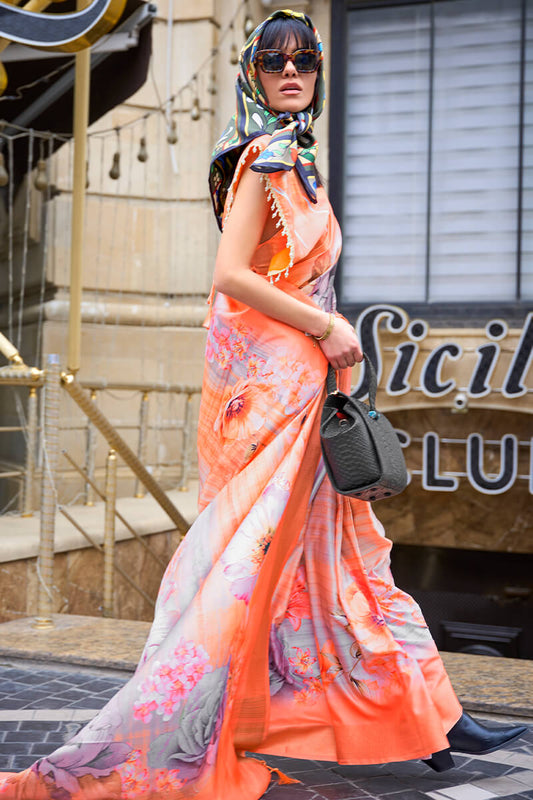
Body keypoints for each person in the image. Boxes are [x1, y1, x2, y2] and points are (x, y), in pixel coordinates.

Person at [0, 9, 526, 800]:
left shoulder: (297, 158)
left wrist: (330, 344)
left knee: (345, 558)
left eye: (305, 61)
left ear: (316, 73)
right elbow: (229, 276)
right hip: (281, 386)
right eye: (275, 61)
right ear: (253, 73)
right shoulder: (261, 157)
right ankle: (173, 729)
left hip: (309, 376)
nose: (291, 72)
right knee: (246, 567)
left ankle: (435, 717)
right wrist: (325, 325)